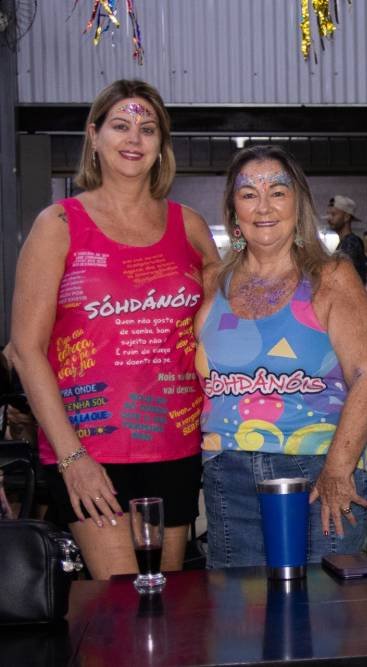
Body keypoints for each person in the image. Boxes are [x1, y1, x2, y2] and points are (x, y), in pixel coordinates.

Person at [8, 80, 219, 579]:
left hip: (176, 444)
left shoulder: (189, 225)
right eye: (121, 126)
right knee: (123, 599)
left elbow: (222, 326)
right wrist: (72, 458)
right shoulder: (59, 224)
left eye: (148, 129)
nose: (134, 139)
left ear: (161, 144)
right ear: (94, 136)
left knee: (165, 598)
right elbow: (25, 350)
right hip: (90, 448)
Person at [196, 146, 367, 568]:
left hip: (321, 470)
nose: (263, 207)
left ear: (298, 204)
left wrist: (338, 469)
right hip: (228, 471)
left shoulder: (331, 276)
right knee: (236, 605)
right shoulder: (213, 282)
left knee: (323, 604)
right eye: (249, 194)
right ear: (233, 209)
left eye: (278, 192)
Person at [327, 195, 367, 281]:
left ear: (346, 217)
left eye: (333, 214)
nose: (329, 218)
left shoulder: (351, 243)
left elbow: (343, 274)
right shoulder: (345, 242)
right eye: (328, 214)